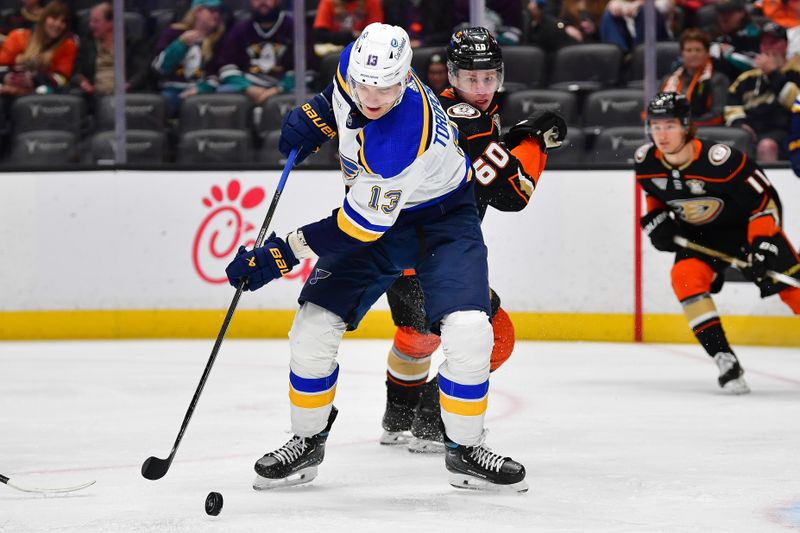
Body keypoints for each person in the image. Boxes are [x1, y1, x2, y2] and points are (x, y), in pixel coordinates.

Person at [225, 23, 536, 492]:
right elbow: (337, 93)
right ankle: (306, 441)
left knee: (471, 330)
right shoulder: (355, 63)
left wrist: (281, 254)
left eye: (388, 86)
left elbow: (357, 227)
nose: (372, 96)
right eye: (364, 84)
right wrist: (316, 114)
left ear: (406, 77)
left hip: (442, 222)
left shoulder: (402, 135)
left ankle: (465, 449)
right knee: (312, 326)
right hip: (380, 216)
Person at [379, 27, 566, 453]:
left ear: (499, 76)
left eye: (488, 78)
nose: (480, 89)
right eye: (469, 79)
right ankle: (431, 421)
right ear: (451, 77)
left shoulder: (431, 110)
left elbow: (481, 159)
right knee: (496, 338)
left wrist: (513, 135)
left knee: (416, 334)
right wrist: (535, 144)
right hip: (435, 259)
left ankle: (398, 416)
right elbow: (512, 195)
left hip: (397, 254)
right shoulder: (467, 118)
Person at [637, 92, 800, 394]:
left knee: (795, 294)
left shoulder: (721, 161)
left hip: (748, 231)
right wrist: (658, 220)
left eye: (669, 125)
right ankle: (724, 359)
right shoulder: (646, 162)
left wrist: (762, 243)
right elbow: (656, 196)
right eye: (656, 126)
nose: (662, 134)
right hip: (701, 237)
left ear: (686, 125)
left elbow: (765, 200)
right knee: (684, 278)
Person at [724, 22, 800, 161]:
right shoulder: (746, 78)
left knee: (766, 145)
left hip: (786, 133)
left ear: (785, 45)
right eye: (764, 44)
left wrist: (773, 74)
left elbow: (795, 103)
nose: (767, 49)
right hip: (750, 132)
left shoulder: (796, 73)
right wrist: (740, 123)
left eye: (773, 43)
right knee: (734, 140)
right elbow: (731, 106)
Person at [210, 0, 301, 105]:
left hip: (284, 86)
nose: (262, 1)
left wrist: (280, 89)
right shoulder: (239, 30)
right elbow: (226, 65)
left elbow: (306, 69)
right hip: (248, 86)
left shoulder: (296, 28)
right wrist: (247, 87)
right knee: (222, 94)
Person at [151, 0, 225, 116]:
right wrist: (180, 44)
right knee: (165, 101)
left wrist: (201, 89)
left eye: (218, 11)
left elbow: (219, 73)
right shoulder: (172, 33)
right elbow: (160, 68)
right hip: (173, 90)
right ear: (197, 12)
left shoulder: (219, 40)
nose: (216, 15)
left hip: (205, 91)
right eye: (211, 11)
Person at [71, 2, 151, 98]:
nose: (91, 25)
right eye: (90, 21)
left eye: (96, 21)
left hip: (126, 96)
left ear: (111, 22)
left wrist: (128, 86)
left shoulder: (132, 42)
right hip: (93, 96)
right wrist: (83, 82)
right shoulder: (86, 43)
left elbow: (142, 71)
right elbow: (76, 72)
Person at [0, 0, 76, 97]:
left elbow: (61, 79)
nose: (58, 24)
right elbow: (1, 66)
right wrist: (7, 77)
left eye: (63, 21)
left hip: (41, 96)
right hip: (8, 92)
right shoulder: (18, 37)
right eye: (54, 18)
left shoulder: (68, 46)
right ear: (44, 18)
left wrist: (32, 80)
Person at [661, 28, 728, 127]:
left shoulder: (717, 79)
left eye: (698, 50)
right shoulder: (668, 80)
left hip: (704, 131)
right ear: (682, 53)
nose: (693, 54)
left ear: (707, 53)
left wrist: (685, 125)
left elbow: (717, 115)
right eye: (688, 50)